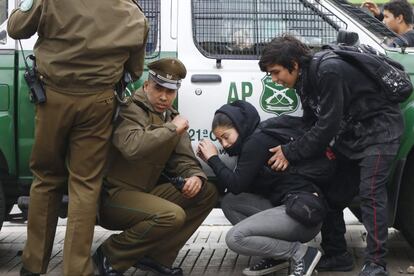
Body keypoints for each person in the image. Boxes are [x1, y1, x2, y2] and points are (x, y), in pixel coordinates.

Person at [7, 0, 148, 275]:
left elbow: (15, 28)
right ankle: (76, 268)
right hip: (99, 103)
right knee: (85, 184)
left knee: (46, 178)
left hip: (53, 99)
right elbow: (135, 70)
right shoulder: (134, 13)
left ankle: (34, 264)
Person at [261, 35, 404, 276]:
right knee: (331, 190)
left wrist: (290, 152)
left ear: (294, 65)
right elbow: (311, 122)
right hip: (353, 134)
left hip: (380, 130)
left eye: (276, 72)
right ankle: (337, 255)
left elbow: (326, 126)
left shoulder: (328, 71)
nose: (275, 80)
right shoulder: (304, 81)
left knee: (370, 193)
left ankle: (376, 264)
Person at [93, 58, 218, 276]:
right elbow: (132, 147)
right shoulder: (131, 108)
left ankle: (155, 256)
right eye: (159, 88)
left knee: (207, 192)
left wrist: (195, 177)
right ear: (147, 85)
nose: (163, 97)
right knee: (171, 215)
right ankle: (110, 254)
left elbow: (184, 160)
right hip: (114, 197)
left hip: (146, 193)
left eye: (170, 92)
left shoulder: (170, 116)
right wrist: (171, 130)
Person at [197, 100, 335, 276]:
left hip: (302, 213)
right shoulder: (254, 139)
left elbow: (236, 183)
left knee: (235, 238)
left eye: (226, 136)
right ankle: (276, 255)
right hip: (288, 209)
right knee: (231, 201)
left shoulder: (256, 143)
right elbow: (236, 189)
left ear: (240, 126)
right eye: (219, 140)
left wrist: (212, 159)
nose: (224, 144)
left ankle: (302, 253)